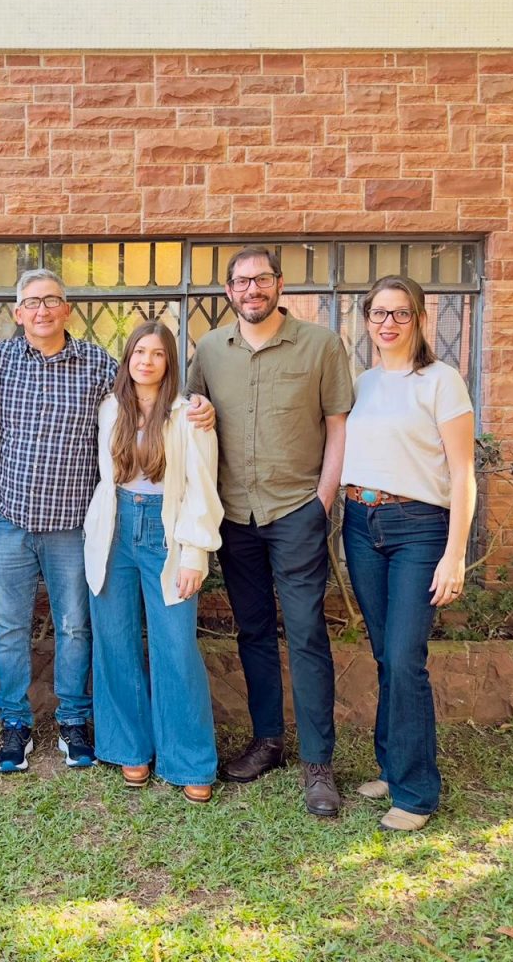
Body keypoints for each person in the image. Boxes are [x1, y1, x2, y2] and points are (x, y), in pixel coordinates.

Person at [0, 268, 215, 773]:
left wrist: (198, 405)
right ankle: (17, 726)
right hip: (16, 519)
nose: (42, 310)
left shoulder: (97, 367)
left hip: (76, 523)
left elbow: (152, 395)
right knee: (17, 629)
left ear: (67, 309)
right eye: (31, 302)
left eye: (52, 300)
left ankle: (78, 723)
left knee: (79, 629)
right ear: (17, 312)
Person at [187, 246, 353, 817]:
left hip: (296, 511)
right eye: (241, 282)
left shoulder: (320, 346)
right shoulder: (211, 349)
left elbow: (337, 427)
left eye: (261, 279)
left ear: (279, 284)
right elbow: (193, 419)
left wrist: (322, 502)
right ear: (228, 291)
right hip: (235, 515)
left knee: (306, 633)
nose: (251, 289)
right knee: (253, 630)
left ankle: (318, 764)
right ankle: (267, 742)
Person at [341, 275, 475, 832]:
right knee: (384, 655)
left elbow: (463, 472)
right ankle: (392, 768)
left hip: (418, 528)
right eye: (379, 313)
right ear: (367, 320)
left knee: (403, 656)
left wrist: (455, 554)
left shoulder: (441, 381)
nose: (388, 323)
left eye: (400, 313)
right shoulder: (363, 383)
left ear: (419, 319)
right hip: (359, 522)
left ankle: (416, 793)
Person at [84, 321, 223, 803]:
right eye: (139, 352)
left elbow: (203, 488)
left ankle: (190, 760)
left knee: (176, 647)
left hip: (166, 532)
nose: (146, 361)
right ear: (127, 359)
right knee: (115, 641)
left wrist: (195, 553)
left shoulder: (189, 415)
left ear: (169, 363)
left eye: (157, 353)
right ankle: (130, 748)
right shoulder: (109, 409)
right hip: (114, 529)